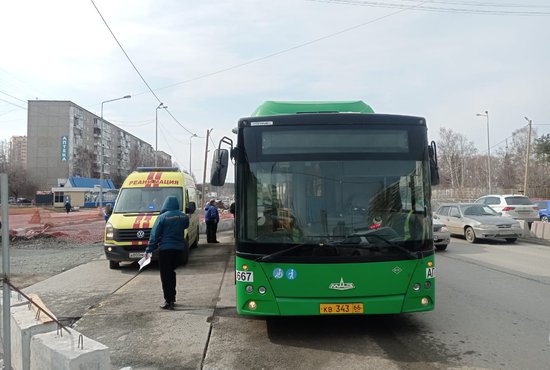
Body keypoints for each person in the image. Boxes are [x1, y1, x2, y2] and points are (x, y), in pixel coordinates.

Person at [145, 196, 190, 310]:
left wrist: (149, 249)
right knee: (172, 273)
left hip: (165, 250)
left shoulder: (162, 217)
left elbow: (154, 235)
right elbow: (185, 226)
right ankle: (173, 297)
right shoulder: (184, 217)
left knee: (166, 276)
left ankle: (168, 300)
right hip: (179, 250)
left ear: (166, 204)